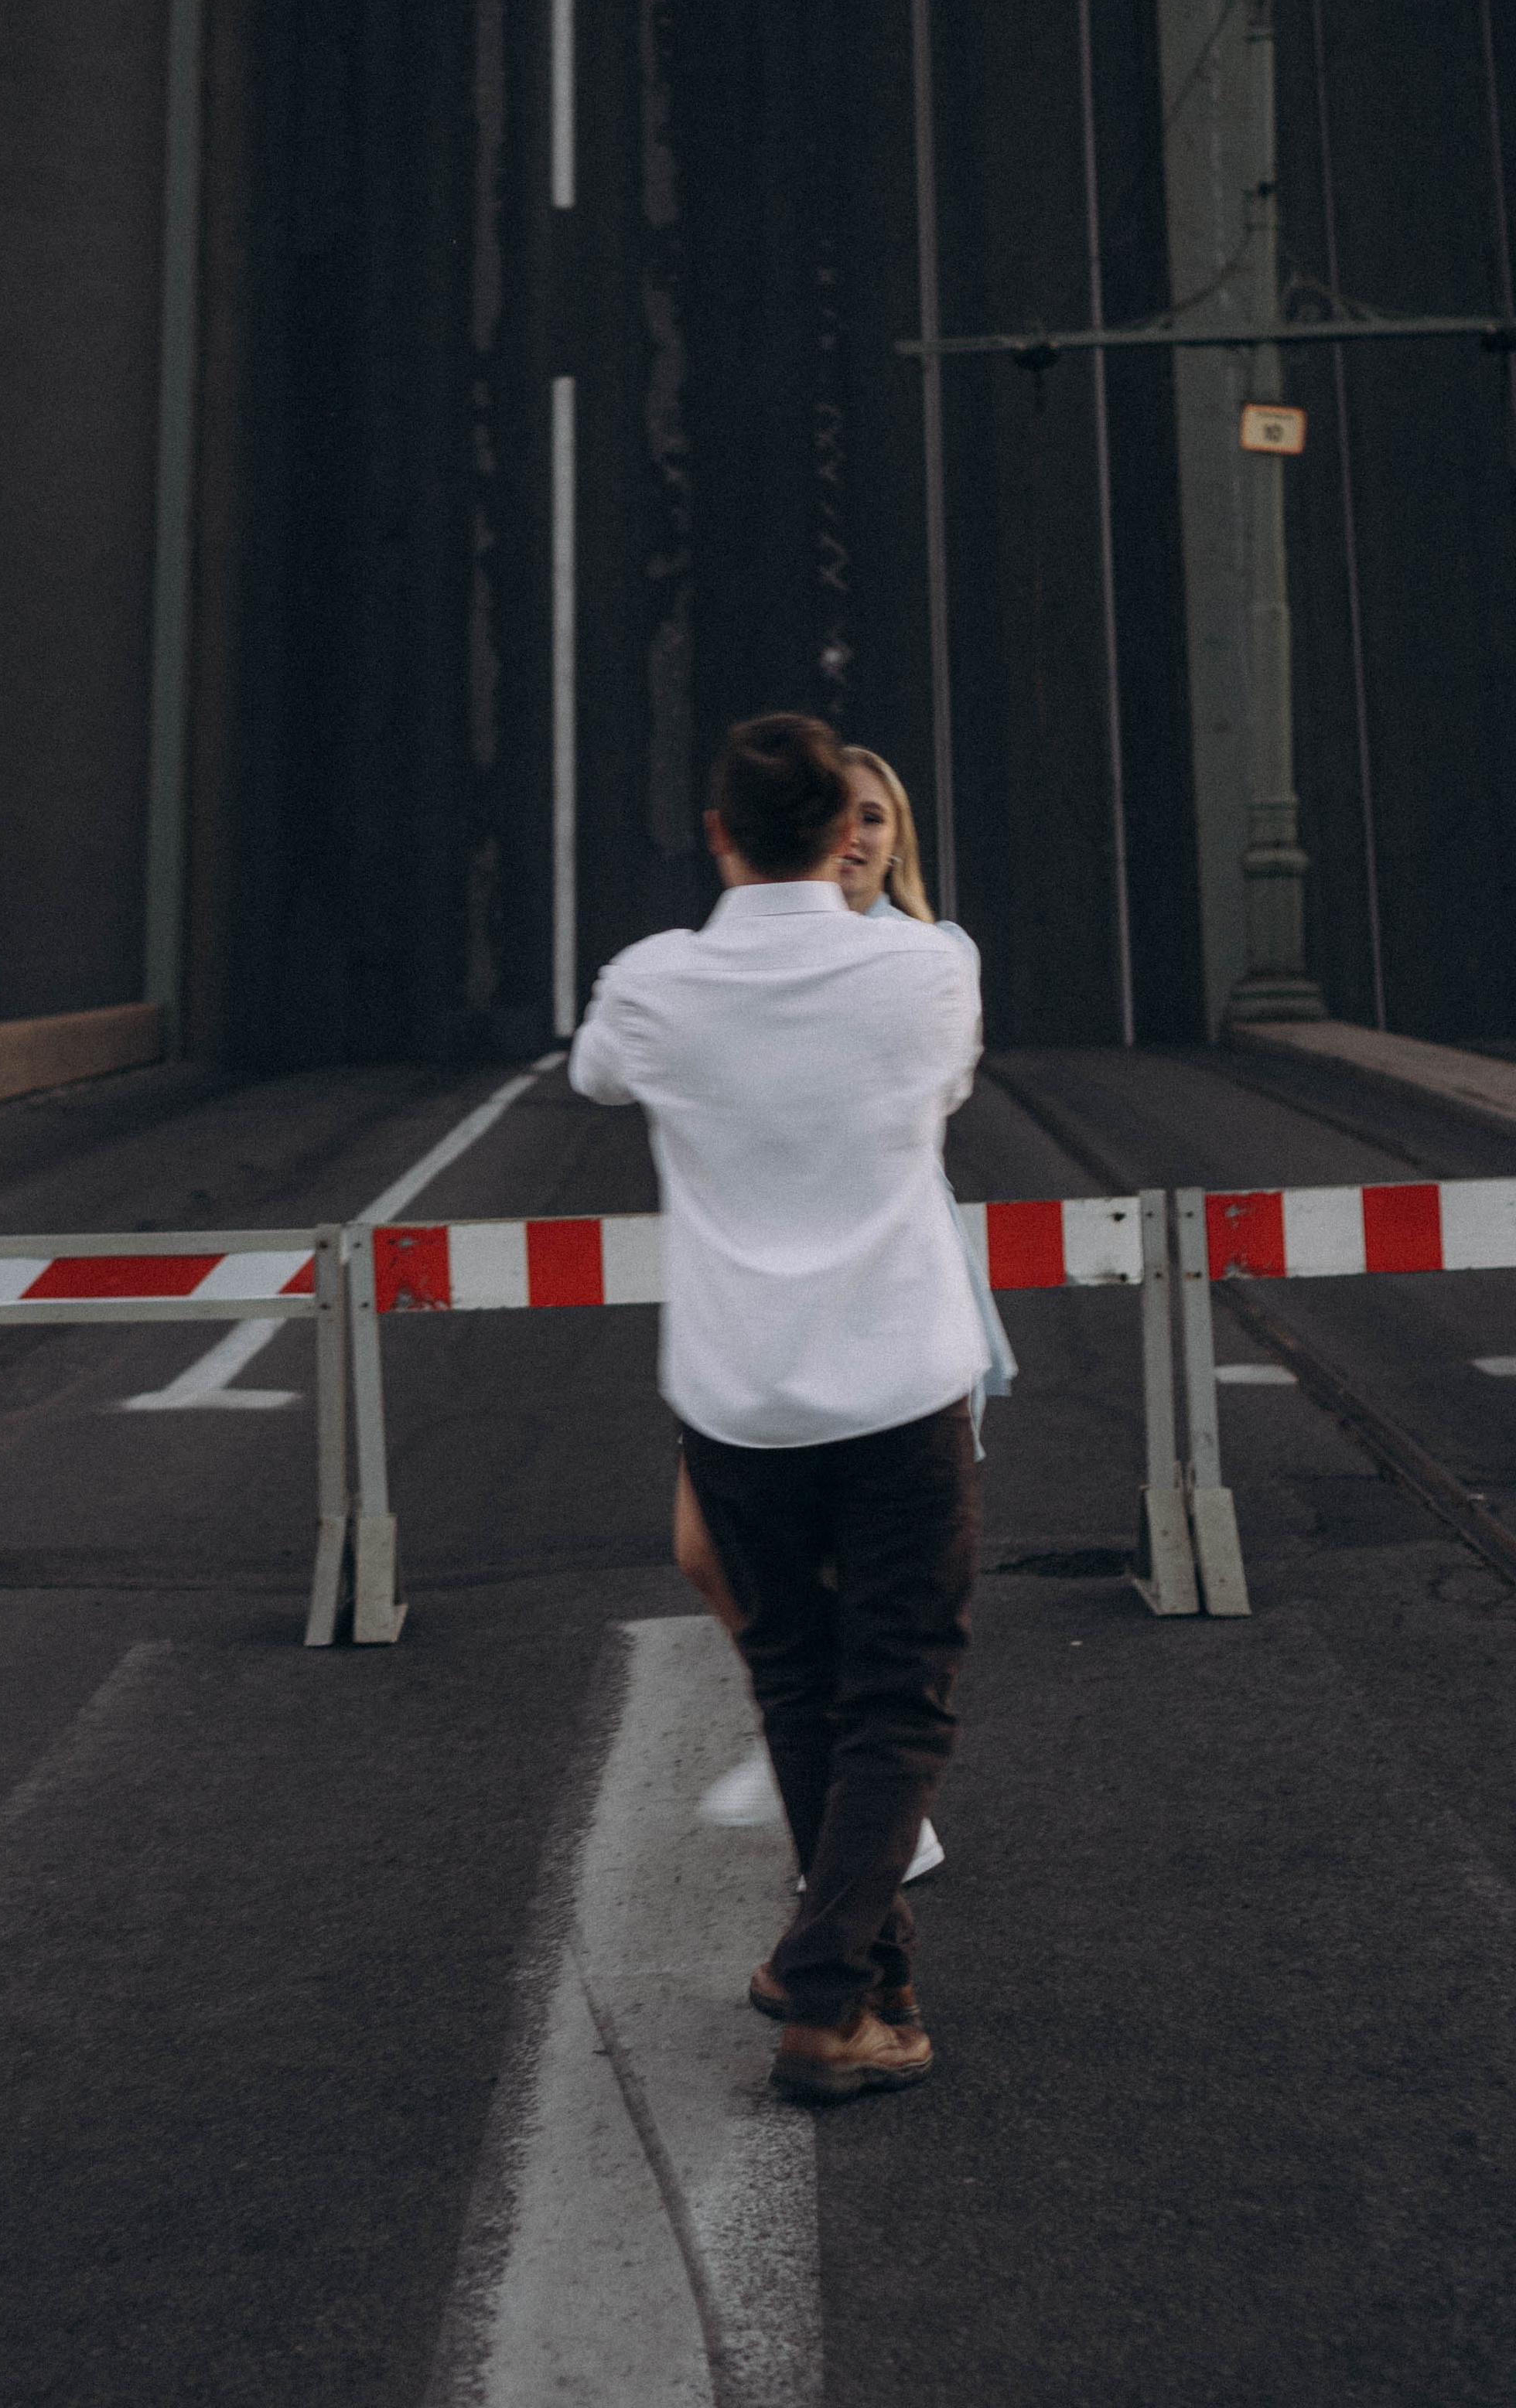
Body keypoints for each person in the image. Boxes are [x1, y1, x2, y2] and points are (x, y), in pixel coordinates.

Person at [572, 712, 989, 2102]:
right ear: (839, 832)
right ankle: (827, 1996)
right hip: (898, 1384)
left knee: (799, 1681)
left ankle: (865, 1972)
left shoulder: (650, 983)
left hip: (741, 1401)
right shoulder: (930, 974)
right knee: (897, 1697)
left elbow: (594, 1074)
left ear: (718, 834)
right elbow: (942, 1094)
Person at [677, 745, 1016, 1880]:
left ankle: (870, 1806)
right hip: (763, 1315)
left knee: (876, 1592)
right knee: (704, 1551)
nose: (860, 836)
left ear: (896, 838)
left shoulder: (926, 959)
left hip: (887, 1303)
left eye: (880, 818)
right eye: (844, 816)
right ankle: (837, 1761)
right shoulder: (754, 961)